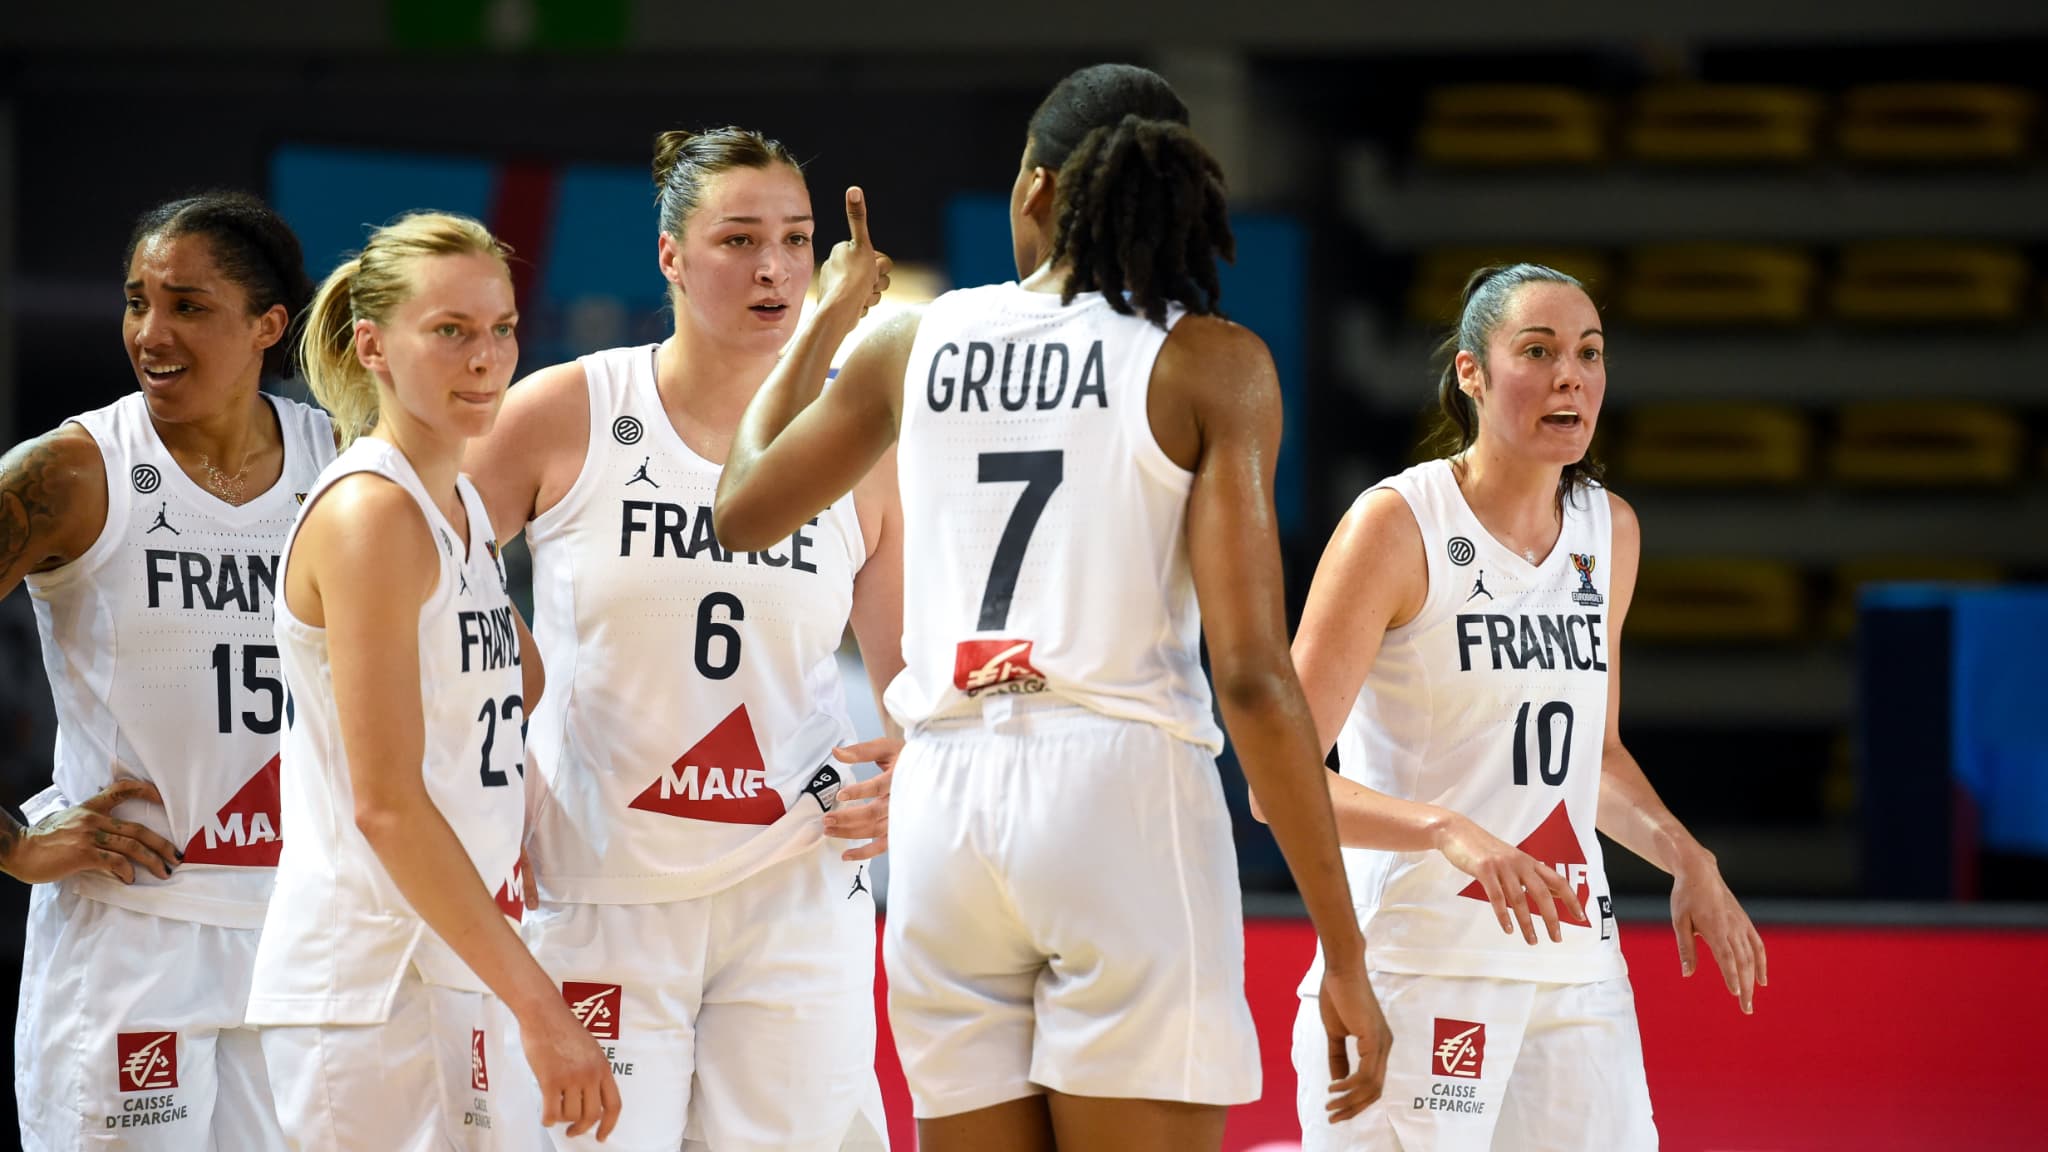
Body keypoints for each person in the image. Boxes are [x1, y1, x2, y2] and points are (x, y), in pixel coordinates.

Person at [712, 62, 1390, 1152]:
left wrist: (821, 326)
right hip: (1117, 790)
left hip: (944, 802)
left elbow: (741, 509)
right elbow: (1254, 678)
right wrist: (1344, 954)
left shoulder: (909, 342)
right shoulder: (1207, 363)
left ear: (1035, 188)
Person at [465, 125, 901, 1152]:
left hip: (796, 881)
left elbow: (913, 684)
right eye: (738, 238)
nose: (773, 267)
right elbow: (418, 571)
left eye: (796, 239)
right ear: (669, 255)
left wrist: (913, 771)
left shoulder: (862, 441)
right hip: (596, 878)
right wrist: (499, 734)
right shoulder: (567, 408)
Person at [1277, 263, 1768, 1150]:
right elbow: (1277, 782)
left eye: (1589, 353)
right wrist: (1446, 829)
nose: (1569, 376)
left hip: (1575, 967)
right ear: (1472, 373)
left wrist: (1686, 857)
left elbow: (1594, 758)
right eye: (1537, 352)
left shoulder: (1609, 531)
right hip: (1421, 963)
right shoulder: (1395, 525)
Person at [243, 212, 619, 1148]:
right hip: (372, 981)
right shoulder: (372, 513)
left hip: (449, 959)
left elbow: (521, 682)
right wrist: (543, 1007)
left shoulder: (456, 506)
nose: (486, 358)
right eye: (450, 330)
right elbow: (386, 807)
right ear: (373, 346)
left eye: (501, 329)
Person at [2, 191, 331, 1150]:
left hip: (299, 929)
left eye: (188, 306)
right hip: (134, 931)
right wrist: (12, 846)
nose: (151, 333)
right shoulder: (72, 472)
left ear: (267, 325)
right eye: (137, 301)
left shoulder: (343, 460)